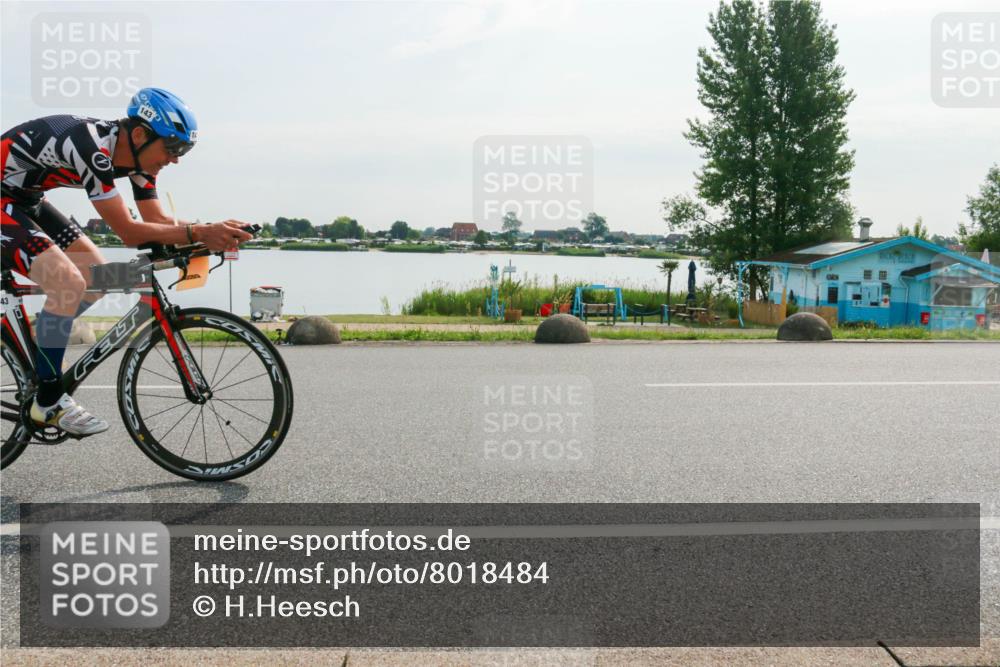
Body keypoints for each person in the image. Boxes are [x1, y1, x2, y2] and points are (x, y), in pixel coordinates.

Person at [1, 87, 252, 436]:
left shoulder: (139, 160)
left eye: (184, 150)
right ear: (139, 134)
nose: (176, 159)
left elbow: (159, 222)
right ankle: (49, 402)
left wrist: (215, 229)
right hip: (5, 201)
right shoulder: (92, 148)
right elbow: (129, 232)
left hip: (24, 199)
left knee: (96, 275)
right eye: (173, 147)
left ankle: (47, 334)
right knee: (66, 282)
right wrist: (200, 232)